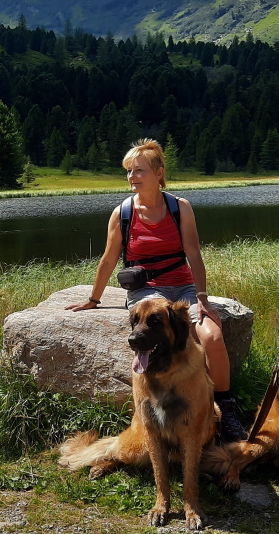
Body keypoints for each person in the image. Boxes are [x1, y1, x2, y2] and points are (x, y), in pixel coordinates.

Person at [66, 138, 248, 443]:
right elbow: (109, 258)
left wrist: (201, 298)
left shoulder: (180, 208)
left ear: (159, 172)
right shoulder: (122, 213)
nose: (133, 177)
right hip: (145, 293)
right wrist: (93, 299)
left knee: (212, 337)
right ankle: (188, 408)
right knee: (176, 332)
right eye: (129, 172)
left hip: (183, 288)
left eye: (140, 170)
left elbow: (194, 255)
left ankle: (224, 407)